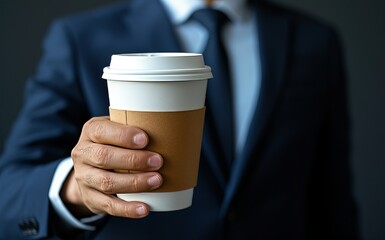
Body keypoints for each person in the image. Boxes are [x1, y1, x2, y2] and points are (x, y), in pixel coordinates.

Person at [0, 0, 360, 239]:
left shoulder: (315, 42)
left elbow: (332, 201)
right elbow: (9, 191)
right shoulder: (81, 38)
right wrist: (75, 188)